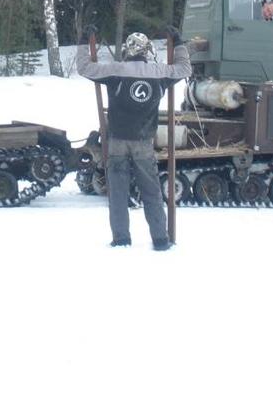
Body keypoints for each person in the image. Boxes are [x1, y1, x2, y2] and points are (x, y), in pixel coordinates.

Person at [77, 25, 192, 251]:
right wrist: (177, 42)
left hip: (117, 141)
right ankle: (160, 239)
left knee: (118, 192)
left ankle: (121, 239)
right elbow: (184, 68)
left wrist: (84, 40)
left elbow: (84, 67)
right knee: (151, 192)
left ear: (128, 50)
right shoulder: (159, 73)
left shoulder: (115, 71)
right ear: (147, 51)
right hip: (143, 143)